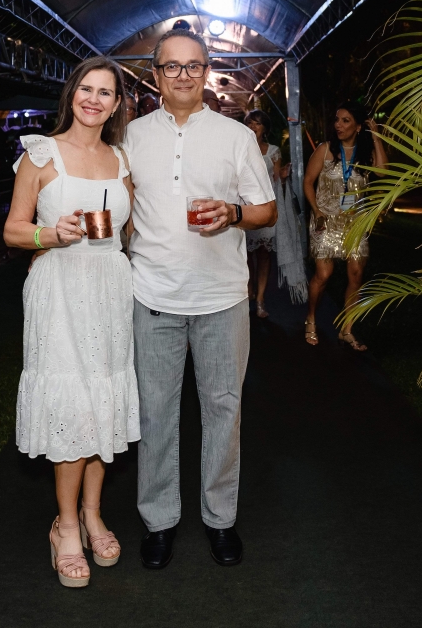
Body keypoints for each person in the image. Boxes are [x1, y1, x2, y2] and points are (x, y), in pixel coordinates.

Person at [125, 29, 277, 570]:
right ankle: (159, 521)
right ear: (156, 75)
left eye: (193, 65)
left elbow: (266, 211)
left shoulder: (235, 136)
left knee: (223, 411)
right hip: (153, 296)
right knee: (155, 415)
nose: (183, 75)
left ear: (207, 71)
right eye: (172, 66)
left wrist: (233, 213)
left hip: (222, 299)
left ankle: (220, 519)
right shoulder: (132, 136)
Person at [3, 56, 138, 589]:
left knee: (102, 400)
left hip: (110, 288)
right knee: (73, 405)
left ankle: (92, 514)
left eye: (105, 92)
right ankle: (64, 526)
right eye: (86, 88)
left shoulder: (122, 160)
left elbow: (130, 232)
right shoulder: (40, 154)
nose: (94, 99)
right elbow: (13, 230)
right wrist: (49, 236)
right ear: (71, 94)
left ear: (117, 104)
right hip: (58, 287)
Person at [303, 102, 388, 348]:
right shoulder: (325, 149)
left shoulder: (365, 154)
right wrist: (316, 210)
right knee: (323, 274)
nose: (338, 125)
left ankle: (347, 329)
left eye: (345, 120)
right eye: (337, 120)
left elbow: (383, 172)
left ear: (359, 127)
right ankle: (311, 318)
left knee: (356, 274)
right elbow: (308, 182)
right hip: (325, 220)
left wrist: (377, 137)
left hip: (355, 223)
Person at [242, 110, 280, 318]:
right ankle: (249, 288)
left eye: (257, 123)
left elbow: (277, 181)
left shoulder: (273, 151)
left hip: (266, 207)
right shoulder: (240, 148)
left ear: (264, 128)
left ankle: (261, 298)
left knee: (264, 253)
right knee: (246, 252)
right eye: (250, 122)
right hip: (246, 206)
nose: (253, 126)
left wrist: (284, 176)